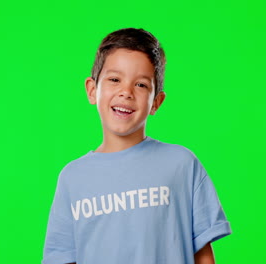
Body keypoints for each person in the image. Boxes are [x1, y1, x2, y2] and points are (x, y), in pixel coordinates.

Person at [41, 27, 232, 264]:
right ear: (92, 90)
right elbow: (62, 257)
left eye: (141, 85)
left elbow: (202, 254)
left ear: (156, 102)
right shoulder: (72, 178)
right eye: (114, 79)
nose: (126, 92)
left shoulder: (181, 165)